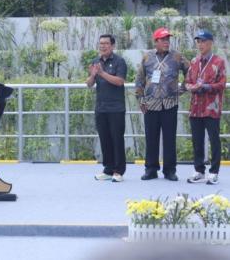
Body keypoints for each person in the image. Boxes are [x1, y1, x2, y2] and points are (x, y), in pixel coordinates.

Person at [135, 27, 189, 181]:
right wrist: (140, 99)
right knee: (151, 138)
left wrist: (183, 88)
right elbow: (139, 79)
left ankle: (169, 170)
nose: (166, 42)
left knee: (170, 138)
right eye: (163, 39)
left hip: (170, 104)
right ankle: (151, 169)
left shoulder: (177, 57)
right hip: (150, 104)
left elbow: (190, 72)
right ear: (156, 41)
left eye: (168, 39)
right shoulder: (147, 57)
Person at [185, 30, 226, 185]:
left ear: (210, 43)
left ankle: (214, 172)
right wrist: (192, 87)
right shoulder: (194, 61)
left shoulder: (219, 62)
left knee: (214, 140)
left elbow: (222, 84)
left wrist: (206, 86)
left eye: (203, 41)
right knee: (197, 140)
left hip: (211, 108)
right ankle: (199, 171)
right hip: (195, 108)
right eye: (198, 41)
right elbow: (187, 81)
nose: (200, 44)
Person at [86, 34, 127, 183]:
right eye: (101, 43)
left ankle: (118, 171)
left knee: (117, 139)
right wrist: (93, 75)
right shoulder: (95, 62)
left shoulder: (119, 61)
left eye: (106, 43)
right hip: (101, 108)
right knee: (105, 139)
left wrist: (102, 73)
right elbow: (89, 84)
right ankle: (108, 169)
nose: (103, 46)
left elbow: (119, 81)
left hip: (116, 108)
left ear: (113, 46)